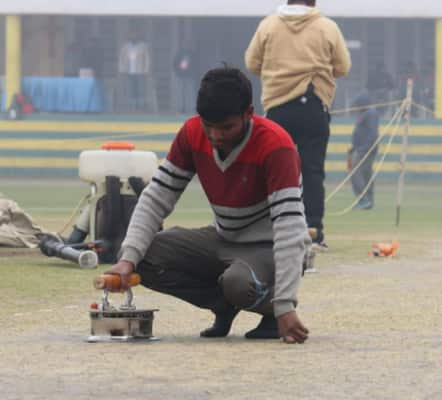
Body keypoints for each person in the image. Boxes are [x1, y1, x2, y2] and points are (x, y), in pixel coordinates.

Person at [105, 66, 310, 344]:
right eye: (208, 125)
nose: (215, 136)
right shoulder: (191, 133)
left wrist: (284, 304)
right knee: (142, 254)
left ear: (249, 113)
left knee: (237, 284)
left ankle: (271, 313)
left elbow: (289, 227)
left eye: (226, 127)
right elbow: (156, 198)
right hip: (224, 237)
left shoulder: (276, 146)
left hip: (268, 246)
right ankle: (223, 304)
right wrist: (127, 260)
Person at [245, 0, 352, 251]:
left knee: (273, 172)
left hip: (277, 108)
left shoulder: (268, 25)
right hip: (313, 103)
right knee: (312, 172)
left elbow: (252, 63)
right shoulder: (326, 27)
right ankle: (313, 232)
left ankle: (273, 231)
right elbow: (343, 67)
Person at [348, 90, 379, 210]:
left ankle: (363, 199)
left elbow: (373, 133)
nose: (356, 109)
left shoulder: (370, 113)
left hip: (365, 149)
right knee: (366, 174)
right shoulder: (367, 114)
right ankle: (368, 201)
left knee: (356, 172)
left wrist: (364, 148)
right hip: (362, 148)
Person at [118, 32, 151, 111]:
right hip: (129, 72)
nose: (133, 36)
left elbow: (147, 59)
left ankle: (140, 106)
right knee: (130, 89)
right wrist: (121, 69)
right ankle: (131, 106)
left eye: (135, 35)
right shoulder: (125, 46)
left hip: (140, 71)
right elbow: (121, 58)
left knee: (140, 89)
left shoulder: (143, 46)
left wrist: (146, 70)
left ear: (138, 36)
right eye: (132, 35)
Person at [172, 44, 197, 115]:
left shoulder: (192, 53)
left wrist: (192, 73)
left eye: (188, 43)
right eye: (185, 43)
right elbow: (174, 63)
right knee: (180, 93)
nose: (186, 45)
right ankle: (180, 109)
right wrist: (178, 73)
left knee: (190, 93)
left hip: (189, 76)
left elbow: (195, 64)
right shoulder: (179, 53)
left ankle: (191, 110)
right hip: (181, 76)